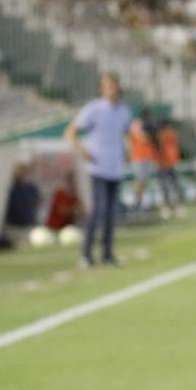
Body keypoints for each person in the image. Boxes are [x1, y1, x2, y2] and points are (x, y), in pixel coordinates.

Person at [64, 72, 133, 267]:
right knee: (98, 210)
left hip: (115, 167)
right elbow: (71, 132)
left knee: (111, 212)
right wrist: (82, 151)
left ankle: (107, 254)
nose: (111, 88)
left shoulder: (123, 111)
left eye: (113, 84)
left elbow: (127, 134)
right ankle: (86, 254)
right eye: (107, 85)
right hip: (99, 167)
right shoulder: (93, 109)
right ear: (101, 88)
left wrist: (128, 152)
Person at [128, 109, 160, 214]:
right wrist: (152, 134)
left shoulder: (146, 125)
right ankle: (135, 203)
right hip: (138, 157)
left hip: (147, 156)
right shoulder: (136, 124)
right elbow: (143, 138)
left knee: (144, 181)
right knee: (140, 180)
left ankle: (141, 203)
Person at [156, 119, 186, 219]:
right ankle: (169, 208)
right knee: (168, 188)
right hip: (163, 164)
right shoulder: (164, 135)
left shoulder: (167, 135)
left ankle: (174, 208)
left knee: (172, 187)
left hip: (169, 164)